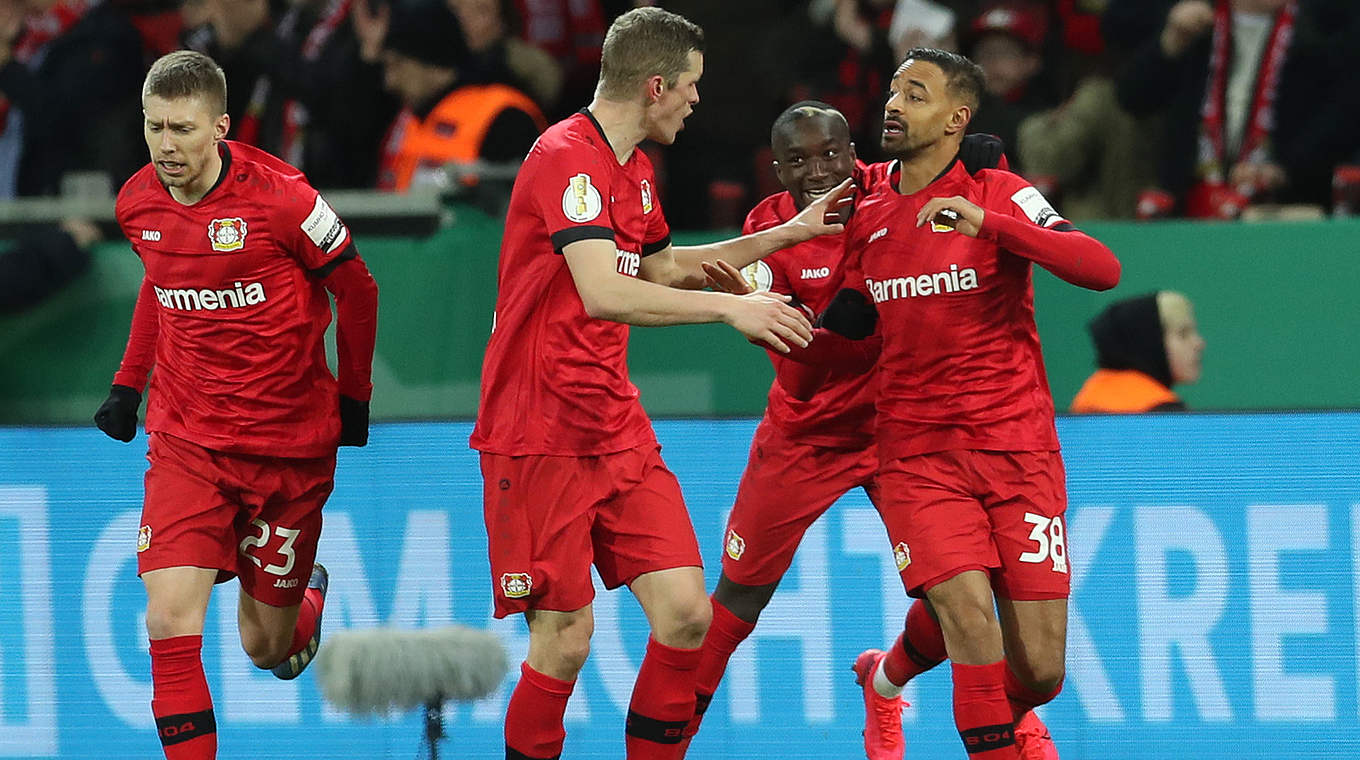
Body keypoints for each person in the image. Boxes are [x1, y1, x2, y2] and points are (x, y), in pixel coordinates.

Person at [468, 8, 854, 760]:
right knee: (565, 640)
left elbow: (663, 267)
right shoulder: (563, 159)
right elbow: (604, 294)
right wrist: (732, 307)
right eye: (690, 86)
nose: (696, 101)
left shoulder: (635, 171)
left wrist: (790, 233)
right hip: (536, 430)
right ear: (655, 86)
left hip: (613, 424)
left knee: (685, 614)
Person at [681, 104, 1044, 760]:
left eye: (830, 154)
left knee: (963, 596)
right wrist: (785, 313)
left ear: (856, 154)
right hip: (807, 435)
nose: (817, 171)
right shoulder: (767, 231)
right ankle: (666, 745)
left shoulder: (890, 188)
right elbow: (800, 355)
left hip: (903, 431)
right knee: (737, 600)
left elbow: (974, 173)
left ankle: (907, 691)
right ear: (776, 167)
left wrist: (986, 160)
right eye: (797, 160)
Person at [791, 48, 1120, 759]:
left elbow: (1101, 268)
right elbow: (846, 329)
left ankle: (885, 678)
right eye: (893, 90)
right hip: (918, 454)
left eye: (916, 93)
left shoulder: (998, 190)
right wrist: (764, 318)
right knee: (970, 622)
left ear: (957, 117)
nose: (894, 103)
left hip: (1018, 449)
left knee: (1037, 673)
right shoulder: (869, 210)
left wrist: (989, 225)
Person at [92, 50, 379, 760]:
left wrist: (355, 398)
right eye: (155, 127)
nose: (167, 146)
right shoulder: (137, 204)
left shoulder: (282, 199)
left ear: (220, 126)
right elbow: (163, 286)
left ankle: (304, 597)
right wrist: (129, 386)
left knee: (264, 647)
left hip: (290, 450)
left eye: (184, 129)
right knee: (168, 621)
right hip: (188, 443)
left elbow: (359, 289)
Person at [376, 0, 545, 192]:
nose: (390, 82)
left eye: (397, 65)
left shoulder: (504, 116)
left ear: (430, 62)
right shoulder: (413, 117)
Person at [1070, 291, 1204, 412]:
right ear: (1149, 341)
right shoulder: (1164, 416)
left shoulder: (1088, 399)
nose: (1199, 343)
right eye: (1183, 334)